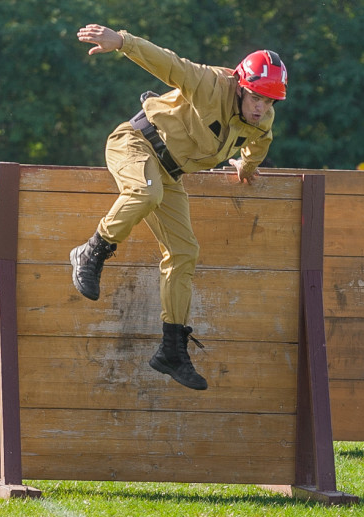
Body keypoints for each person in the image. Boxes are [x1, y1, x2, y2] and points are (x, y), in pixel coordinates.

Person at [69, 24, 287, 390]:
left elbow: (258, 144)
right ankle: (90, 252)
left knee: (185, 252)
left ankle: (171, 349)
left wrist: (245, 167)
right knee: (146, 193)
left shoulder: (262, 119)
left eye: (269, 101)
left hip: (170, 173)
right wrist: (123, 42)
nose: (261, 108)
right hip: (136, 142)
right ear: (240, 85)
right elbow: (168, 64)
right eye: (256, 98)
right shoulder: (210, 83)